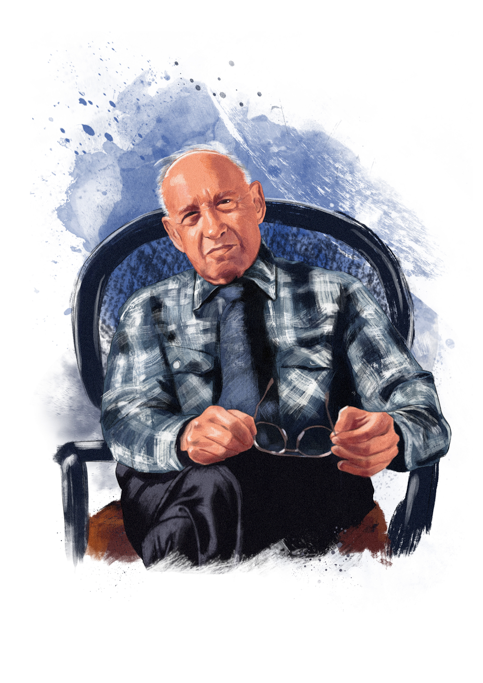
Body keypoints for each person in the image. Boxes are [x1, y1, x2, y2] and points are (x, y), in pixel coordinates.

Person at [101, 144, 451, 567]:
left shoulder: (338, 296)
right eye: (191, 216)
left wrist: (395, 434)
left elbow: (420, 407)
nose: (212, 228)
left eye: (225, 203)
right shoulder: (147, 310)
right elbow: (124, 418)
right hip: (181, 490)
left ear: (256, 203)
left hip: (310, 492)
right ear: (174, 234)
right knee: (212, 489)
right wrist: (184, 436)